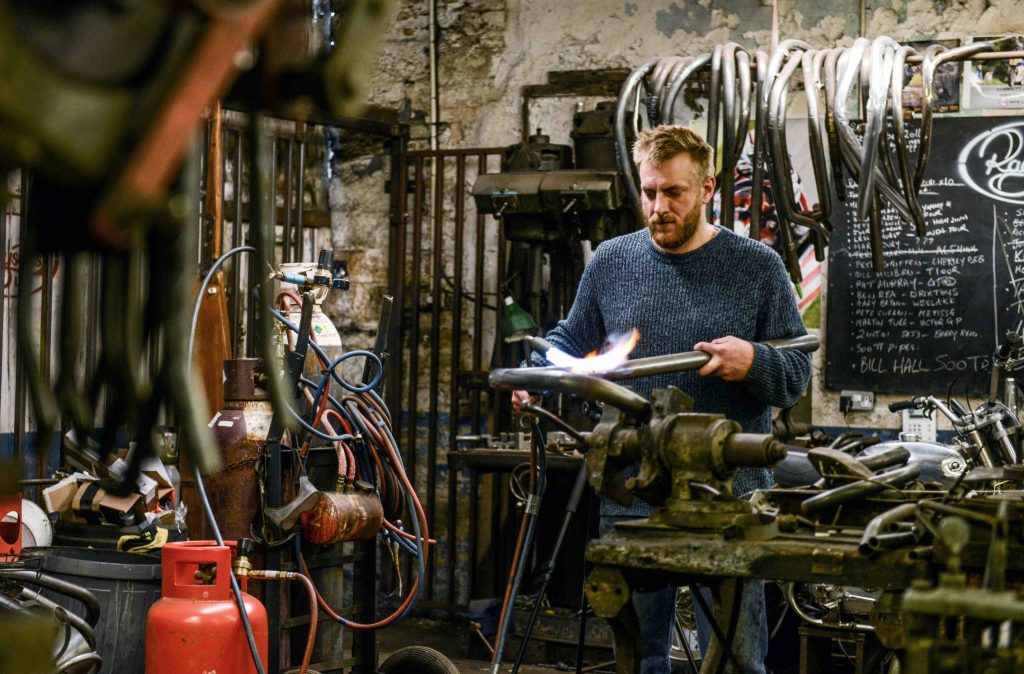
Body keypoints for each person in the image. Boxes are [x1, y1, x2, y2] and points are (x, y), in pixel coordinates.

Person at [513, 124, 811, 674]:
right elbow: (569, 343)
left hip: (730, 500)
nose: (658, 207)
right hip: (632, 490)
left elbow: (796, 374)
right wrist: (539, 372)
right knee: (642, 657)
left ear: (706, 189)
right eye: (649, 192)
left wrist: (755, 361)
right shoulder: (612, 260)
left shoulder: (757, 267)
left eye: (673, 193)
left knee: (738, 660)